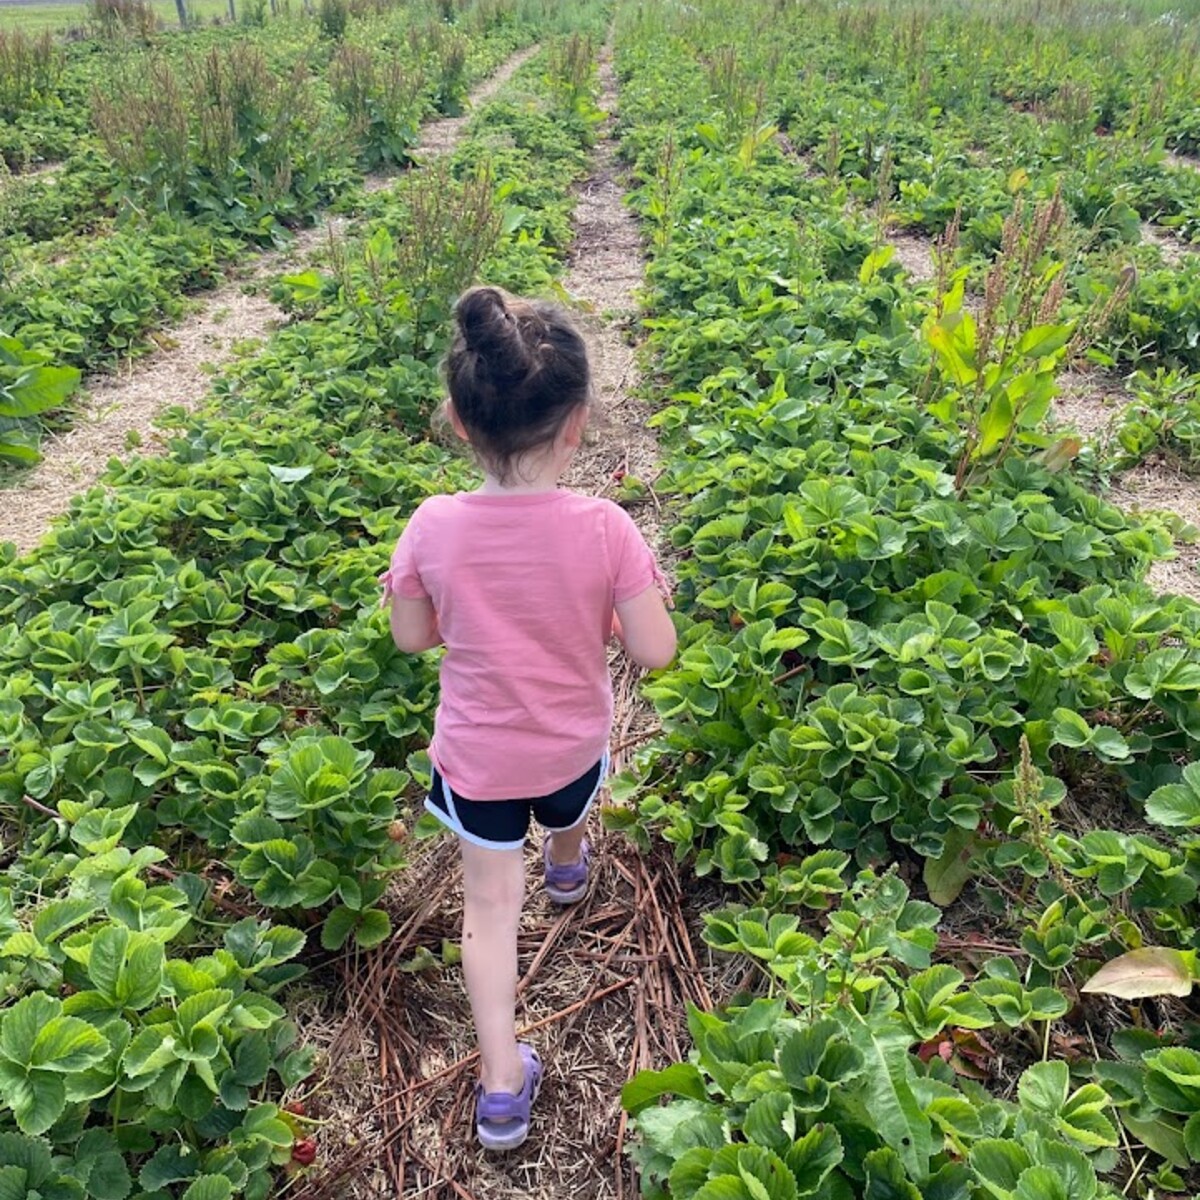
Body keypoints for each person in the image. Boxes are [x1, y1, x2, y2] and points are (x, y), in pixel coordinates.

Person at [379, 285, 676, 1151]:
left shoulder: (432, 526)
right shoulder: (606, 528)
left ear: (461, 422)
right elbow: (654, 651)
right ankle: (570, 866)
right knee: (571, 803)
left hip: (478, 761)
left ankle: (501, 1087)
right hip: (570, 742)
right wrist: (619, 613)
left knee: (487, 911)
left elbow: (410, 637)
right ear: (578, 422)